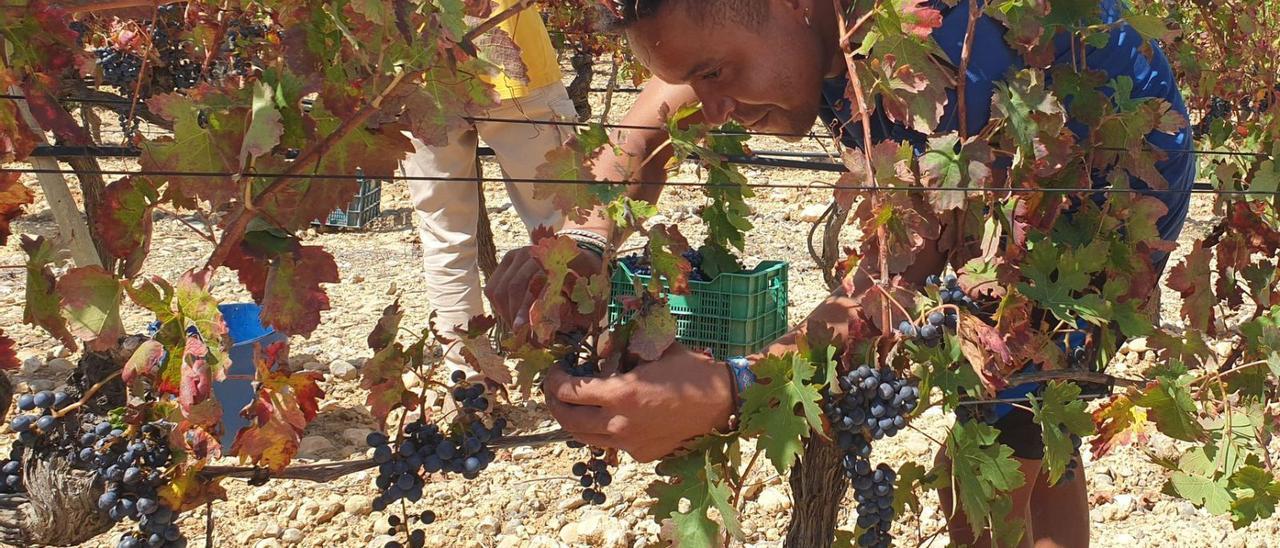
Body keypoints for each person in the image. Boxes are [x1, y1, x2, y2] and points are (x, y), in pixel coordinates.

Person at [485, 0, 1193, 546]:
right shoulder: (803, 30)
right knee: (1034, 427)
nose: (717, 107)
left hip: (1103, 186)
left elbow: (892, 294)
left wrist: (729, 387)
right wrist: (585, 235)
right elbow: (663, 102)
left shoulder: (948, 66)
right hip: (987, 163)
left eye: (716, 72)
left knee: (987, 470)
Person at [403, 0, 580, 377]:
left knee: (445, 237)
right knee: (565, 225)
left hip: (417, 73)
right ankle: (576, 372)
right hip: (517, 69)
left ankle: (467, 387)